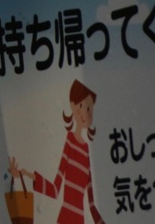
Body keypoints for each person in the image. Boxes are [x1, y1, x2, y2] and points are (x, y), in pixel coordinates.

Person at [9, 80, 105, 224]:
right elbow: (54, 189)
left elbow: (91, 204)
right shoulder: (70, 141)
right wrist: (25, 174)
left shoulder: (86, 151)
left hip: (80, 220)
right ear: (73, 106)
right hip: (65, 218)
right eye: (83, 106)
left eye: (90, 109)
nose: (88, 113)